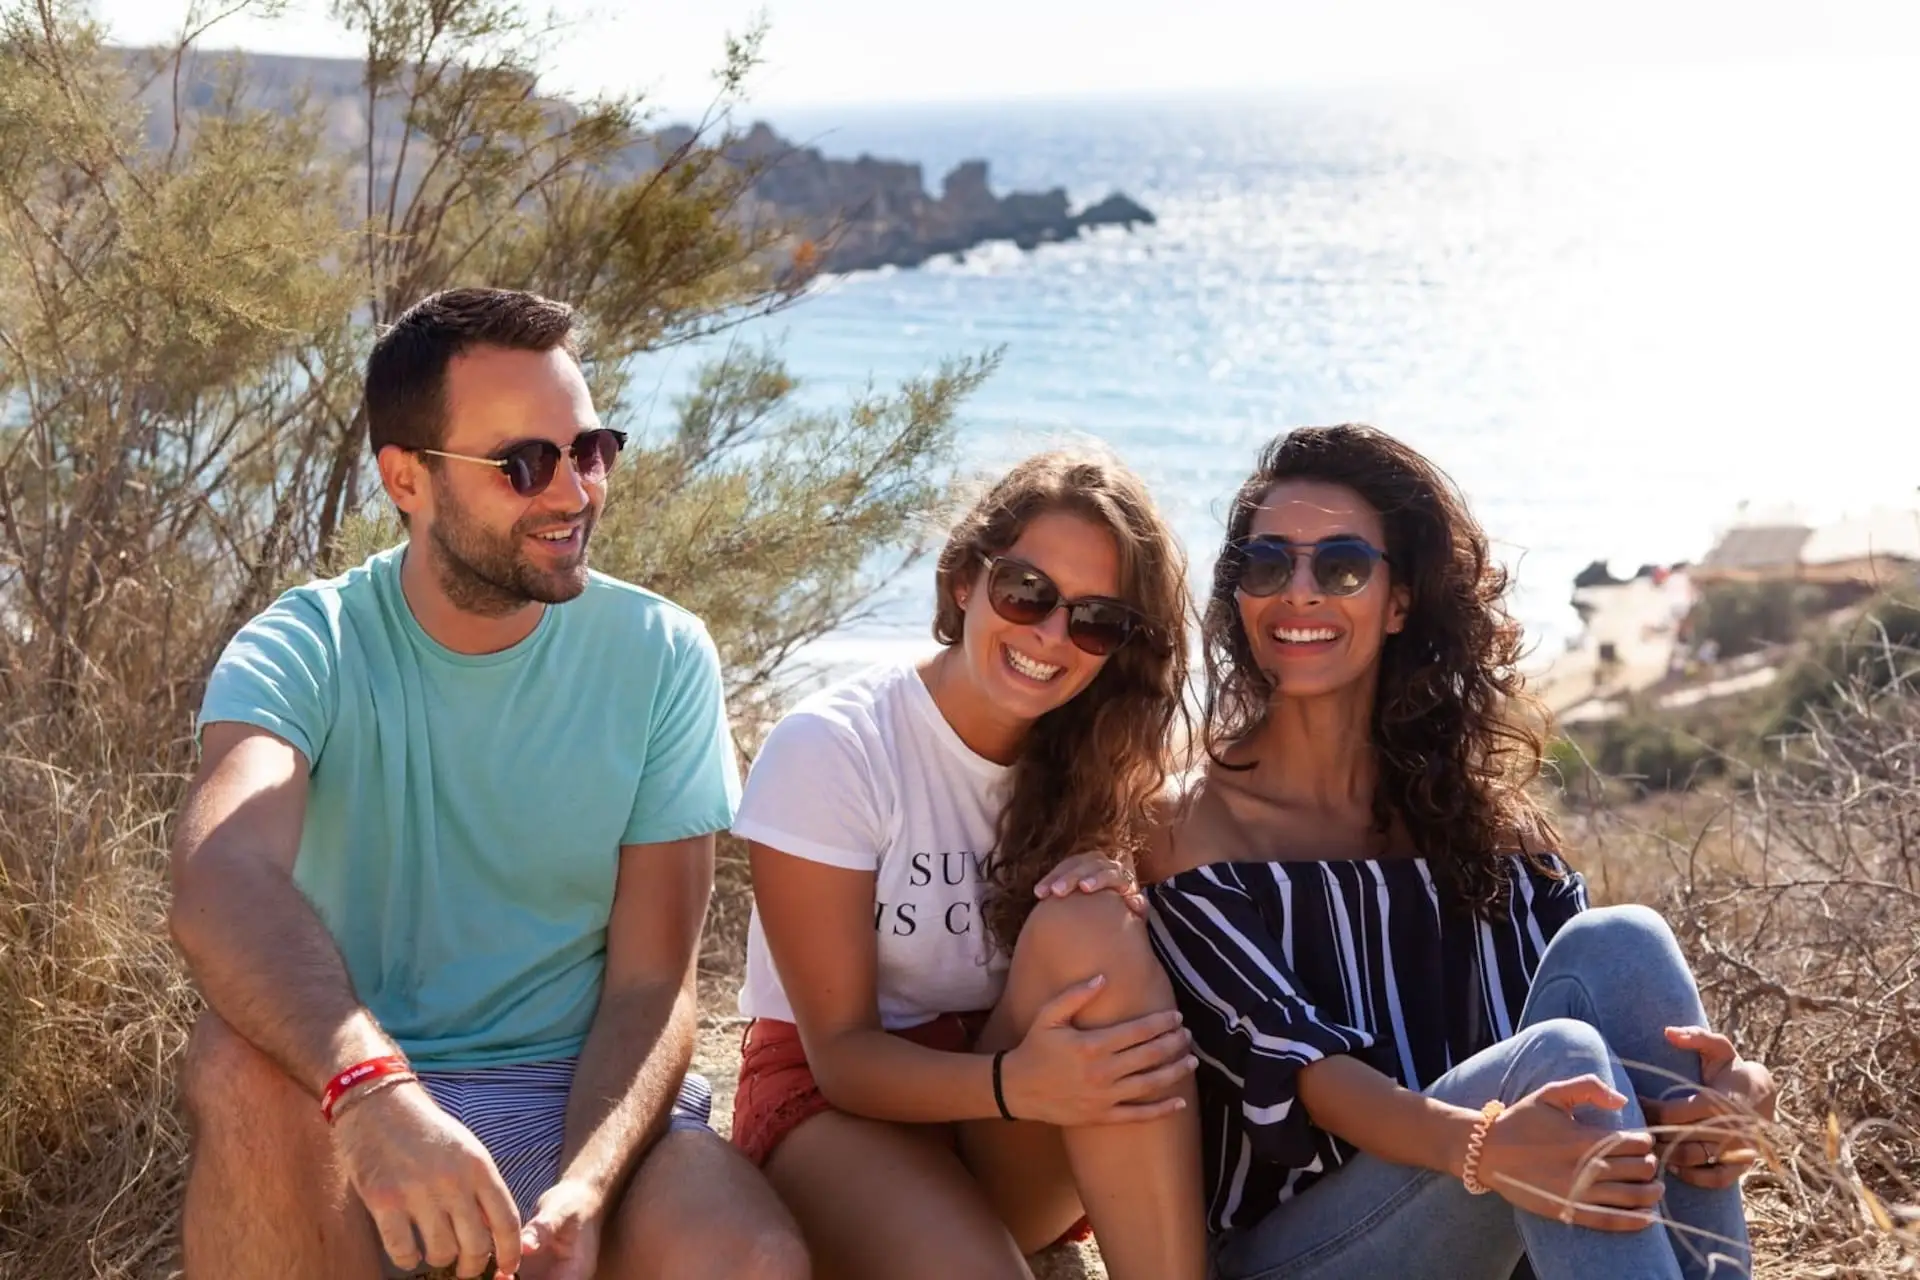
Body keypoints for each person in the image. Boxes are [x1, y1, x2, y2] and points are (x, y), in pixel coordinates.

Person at [169, 287, 807, 1280]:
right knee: (237, 1064)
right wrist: (377, 1093)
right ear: (407, 479)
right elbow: (221, 874)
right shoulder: (306, 646)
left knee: (751, 1255)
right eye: (524, 463)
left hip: (581, 1105)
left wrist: (585, 1190)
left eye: (590, 449)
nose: (573, 491)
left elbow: (652, 984)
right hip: (364, 1104)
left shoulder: (661, 654)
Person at [1144, 424, 1776, 1280]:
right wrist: (1486, 1146)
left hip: (1502, 1221)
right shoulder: (1191, 828)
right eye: (1267, 564)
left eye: (1340, 566)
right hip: (1305, 1252)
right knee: (1554, 1063)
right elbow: (1298, 1064)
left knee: (1620, 941)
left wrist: (1722, 1101)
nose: (1298, 593)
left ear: (1399, 600)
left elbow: (1611, 1033)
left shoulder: (1483, 821)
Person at [728, 449, 1210, 1279]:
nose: (1051, 637)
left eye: (1094, 620)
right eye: (1026, 593)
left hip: (1011, 1103)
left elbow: (1245, 783)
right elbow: (842, 1058)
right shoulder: (837, 749)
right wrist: (1016, 1086)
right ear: (963, 581)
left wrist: (1117, 853)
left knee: (1091, 921)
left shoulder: (1104, 759)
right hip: (838, 1108)